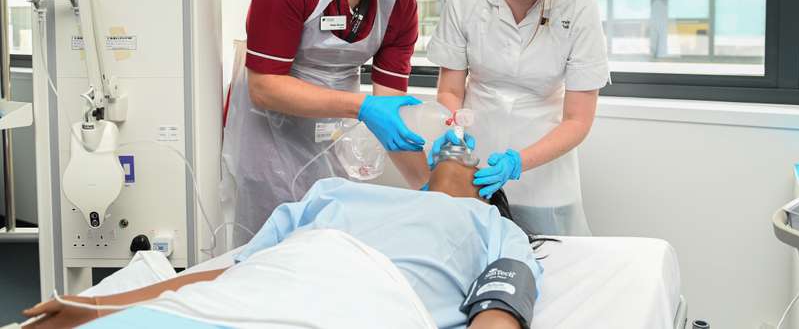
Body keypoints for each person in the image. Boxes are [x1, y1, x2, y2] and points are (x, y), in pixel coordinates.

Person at [23, 160, 545, 329]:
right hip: (264, 286)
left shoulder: (495, 226)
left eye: (473, 160)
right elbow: (235, 270)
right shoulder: (336, 193)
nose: (459, 154)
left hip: (367, 298)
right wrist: (93, 306)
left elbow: (498, 311)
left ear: (487, 186)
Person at [222, 0, 431, 246]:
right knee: (270, 255)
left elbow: (389, 107)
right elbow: (264, 88)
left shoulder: (399, 4)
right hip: (269, 138)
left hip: (333, 138)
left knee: (328, 249)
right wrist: (361, 107)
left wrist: (430, 185)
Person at [428, 0, 610, 236]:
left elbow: (578, 119)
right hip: (474, 161)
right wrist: (452, 130)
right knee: (471, 259)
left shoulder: (579, 9)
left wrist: (518, 162)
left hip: (545, 174)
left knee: (554, 269)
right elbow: (450, 90)